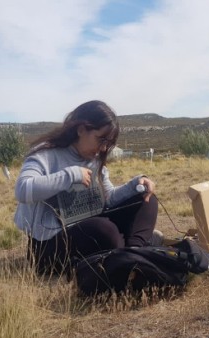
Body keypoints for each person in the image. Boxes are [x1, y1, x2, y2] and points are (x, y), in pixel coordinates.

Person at [14, 100, 158, 274]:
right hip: (49, 246)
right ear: (81, 129)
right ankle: (127, 252)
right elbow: (23, 190)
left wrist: (136, 184)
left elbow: (109, 198)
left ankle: (135, 254)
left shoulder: (94, 160)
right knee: (104, 230)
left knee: (146, 199)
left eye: (108, 143)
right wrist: (70, 175)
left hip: (89, 226)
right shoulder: (45, 155)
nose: (103, 147)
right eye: (101, 139)